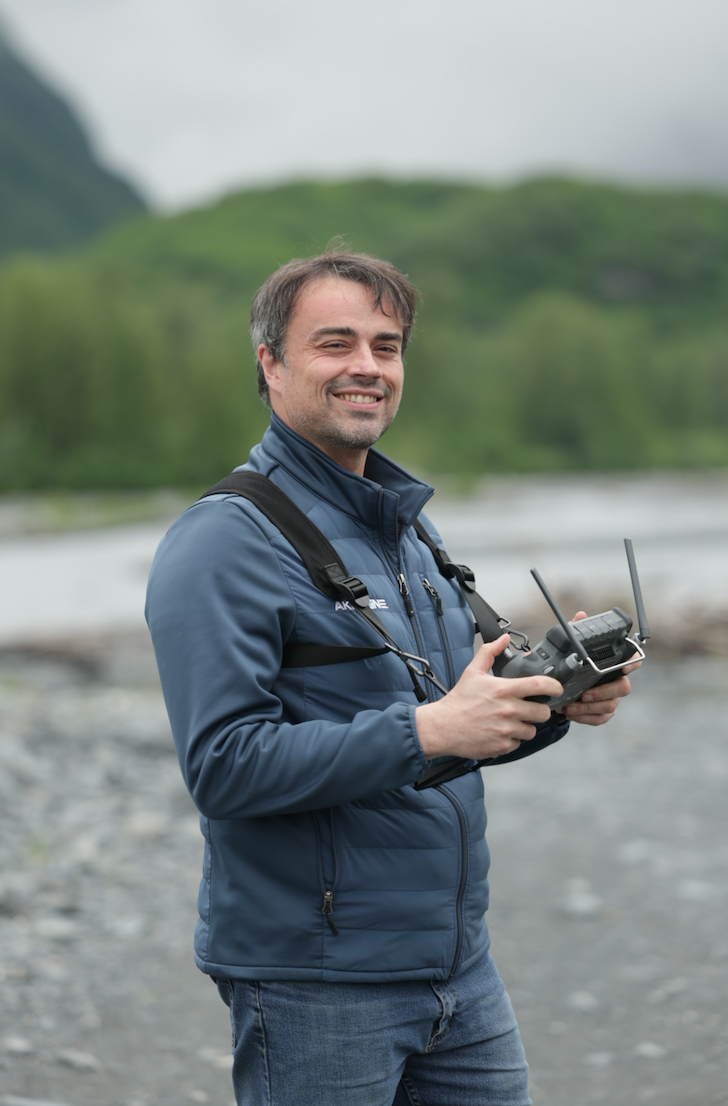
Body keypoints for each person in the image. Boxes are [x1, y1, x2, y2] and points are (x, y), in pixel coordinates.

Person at [145, 249, 639, 1106]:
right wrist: (431, 729)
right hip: (315, 983)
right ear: (270, 363)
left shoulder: (408, 534)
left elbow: (453, 731)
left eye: (387, 344)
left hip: (459, 969)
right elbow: (223, 767)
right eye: (335, 343)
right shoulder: (222, 541)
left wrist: (552, 703)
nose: (368, 367)